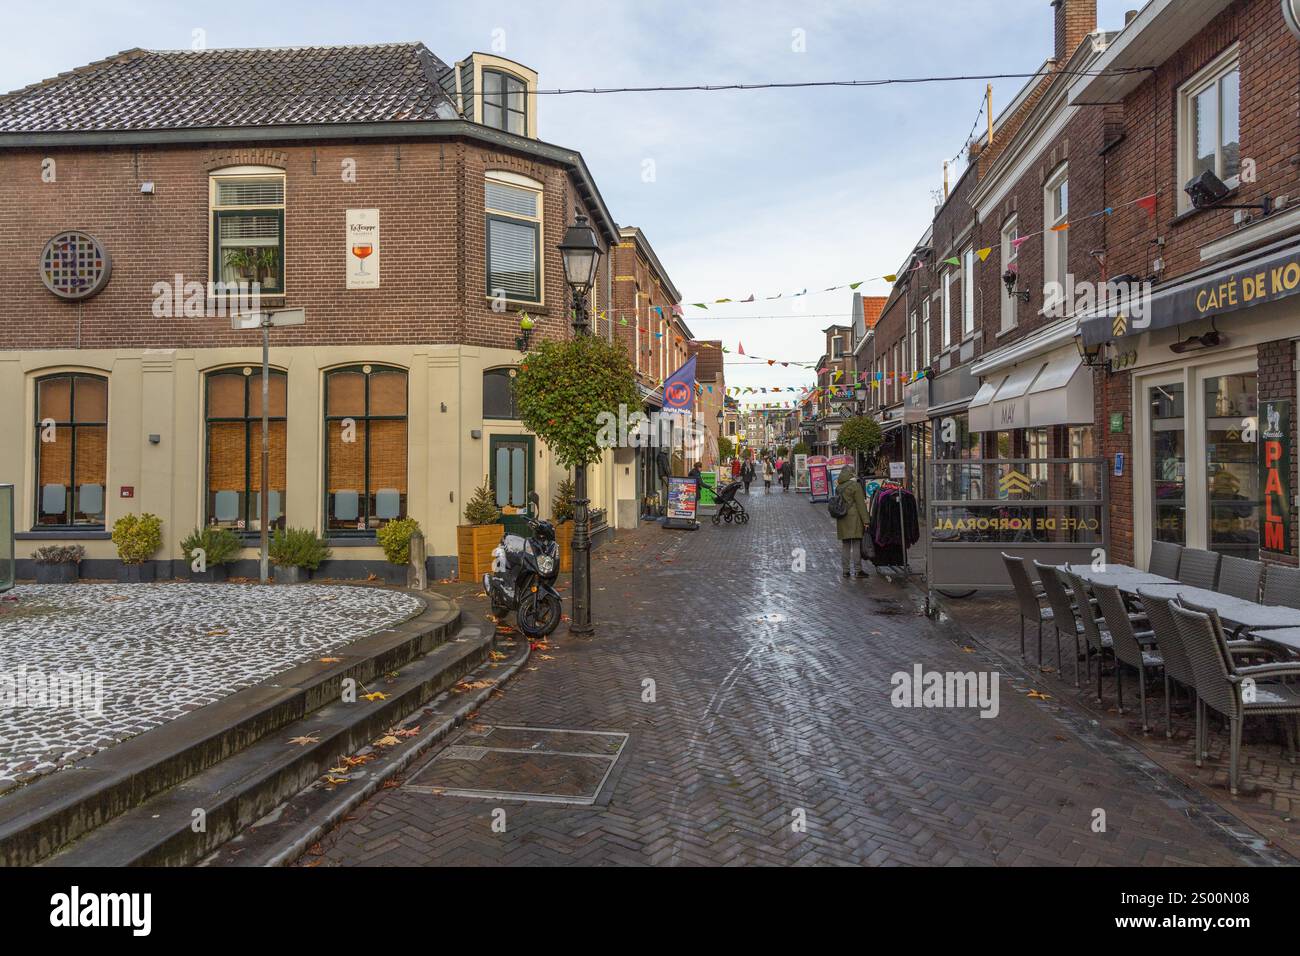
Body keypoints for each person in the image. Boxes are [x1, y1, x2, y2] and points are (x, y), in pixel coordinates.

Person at [834, 464, 871, 579]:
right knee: (856, 544)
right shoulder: (855, 486)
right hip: (854, 518)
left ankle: (845, 571)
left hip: (842, 518)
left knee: (845, 545)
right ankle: (858, 570)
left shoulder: (838, 487)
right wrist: (866, 520)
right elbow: (860, 505)